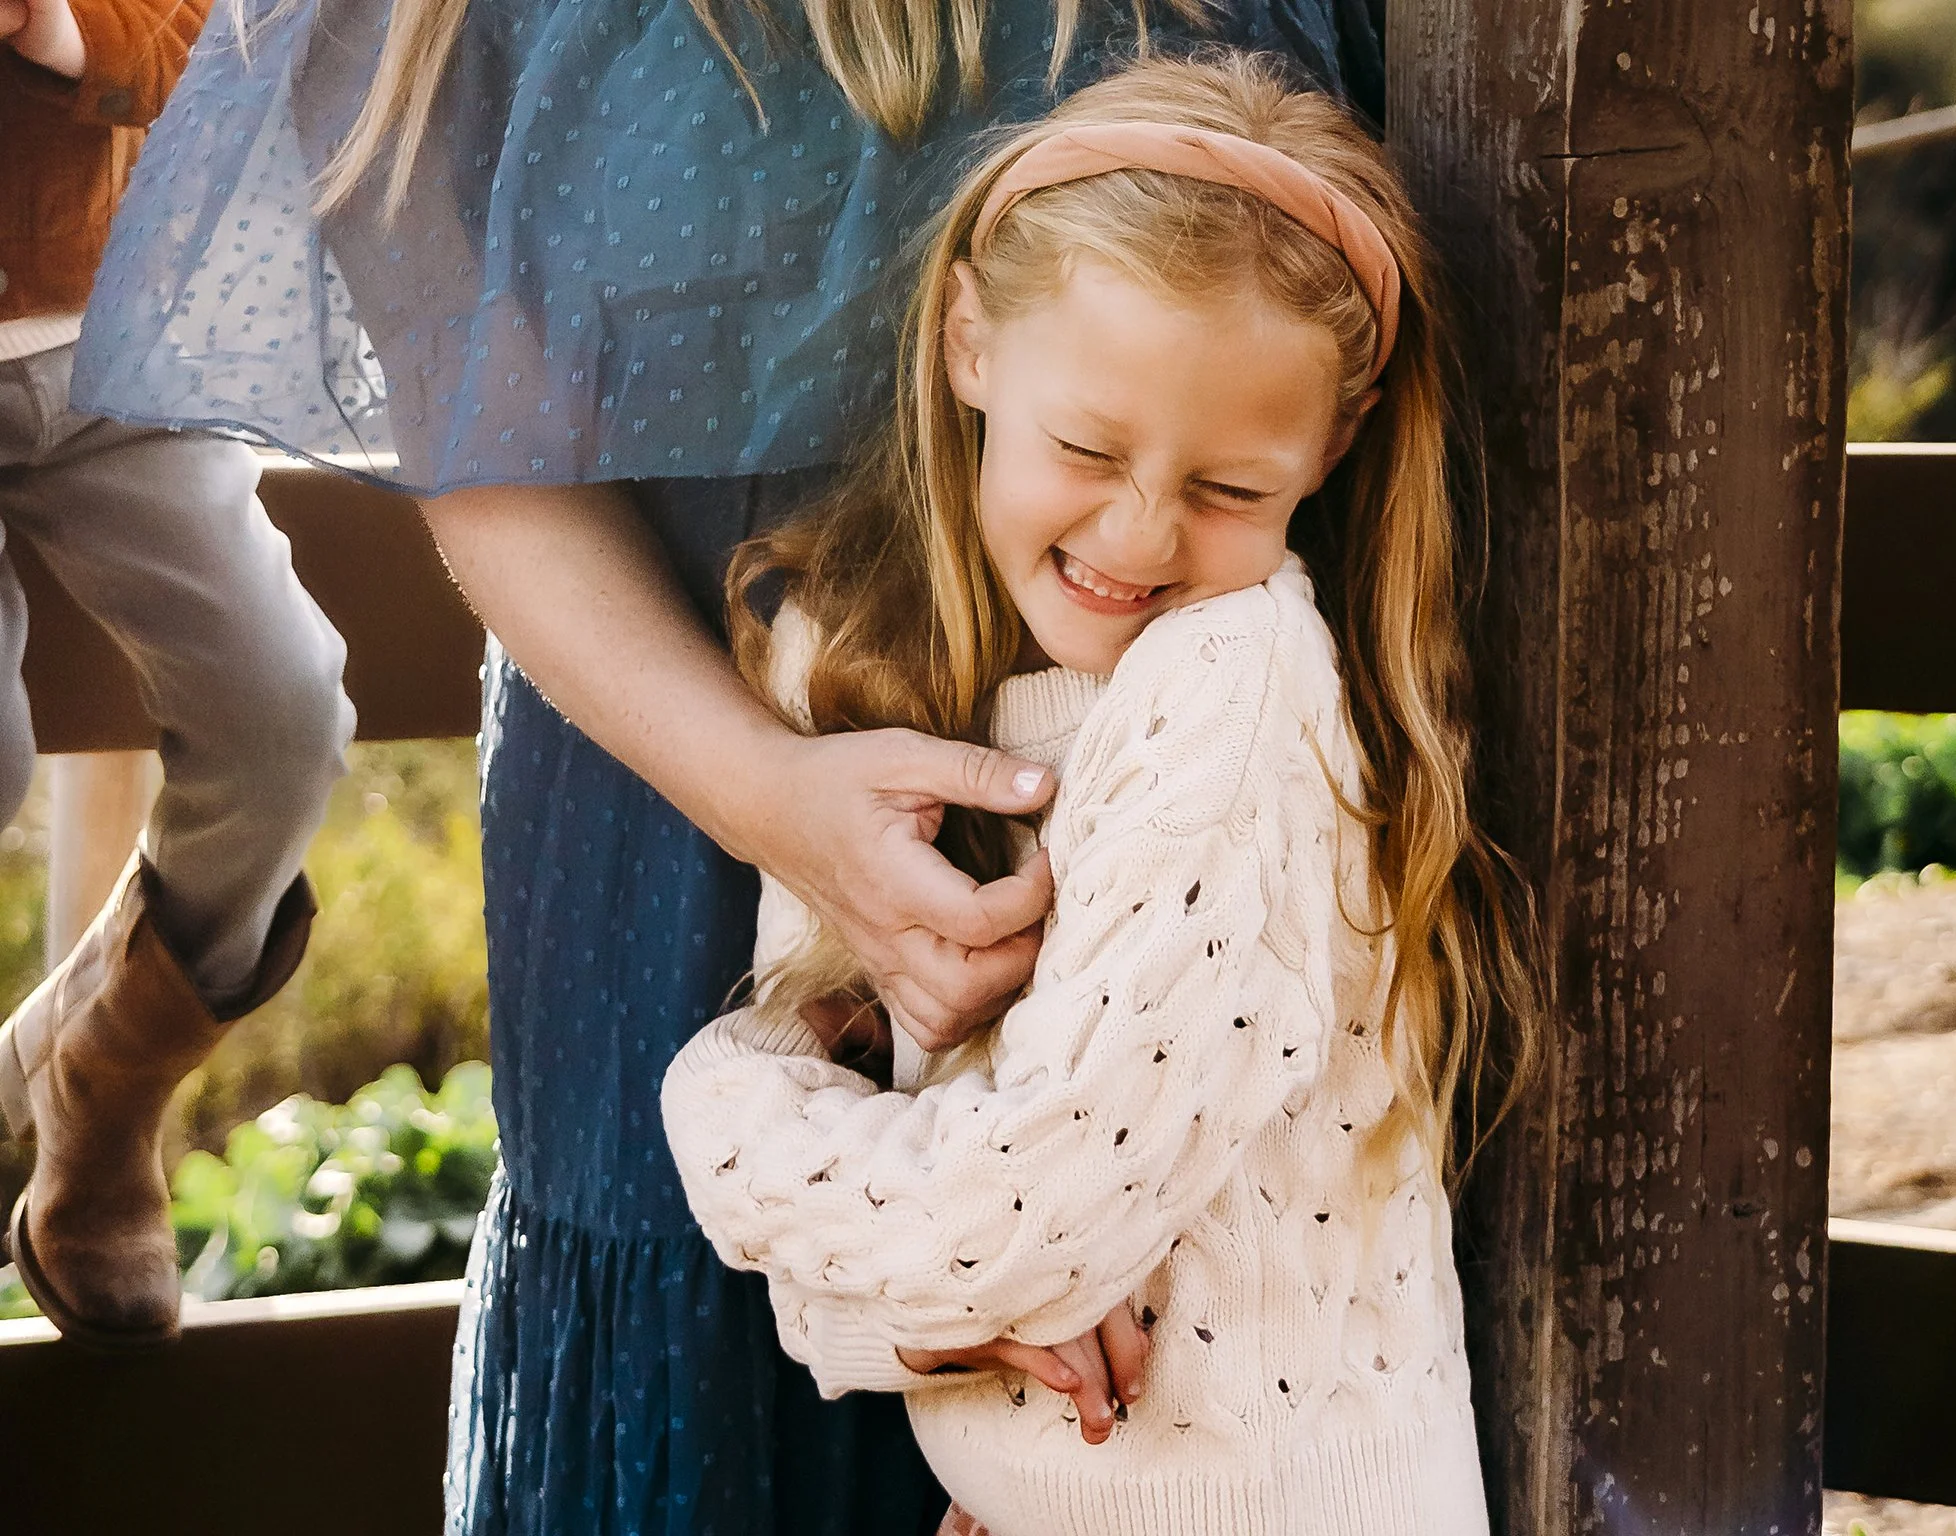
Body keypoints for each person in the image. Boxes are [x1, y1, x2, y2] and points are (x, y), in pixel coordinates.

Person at [70, 0, 1380, 1529]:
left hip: (1142, 867)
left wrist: (1070, 1187)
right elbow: (472, 423)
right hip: (661, 823)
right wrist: (775, 802)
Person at [660, 53, 1537, 1535]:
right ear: (970, 345)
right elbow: (910, 1268)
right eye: (1087, 448)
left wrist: (709, 1105)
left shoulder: (1230, 682)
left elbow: (1024, 1222)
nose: (1140, 534)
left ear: (1334, 441)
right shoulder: (856, 659)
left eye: (1230, 490)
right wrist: (922, 1317)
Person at [0, 0, 355, 1349]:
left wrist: (57, 28)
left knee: (284, 713)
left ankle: (104, 1075)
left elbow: (219, 33)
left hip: (114, 343)